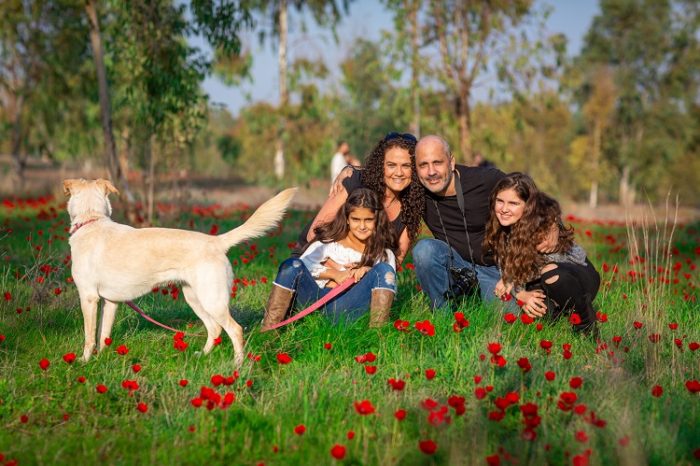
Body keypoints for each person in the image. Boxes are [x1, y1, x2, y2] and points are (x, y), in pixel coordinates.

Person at [262, 188, 397, 328]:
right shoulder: (327, 244)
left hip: (349, 309)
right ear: (347, 219)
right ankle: (269, 330)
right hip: (315, 304)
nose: (362, 226)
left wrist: (368, 271)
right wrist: (335, 274)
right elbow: (303, 267)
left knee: (385, 270)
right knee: (292, 265)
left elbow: (388, 286)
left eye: (368, 220)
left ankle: (377, 336)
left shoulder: (383, 255)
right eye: (356, 219)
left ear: (377, 220)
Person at [484, 173, 600, 333]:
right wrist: (520, 292)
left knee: (550, 274)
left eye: (513, 203)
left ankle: (586, 322)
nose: (504, 209)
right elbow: (508, 268)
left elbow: (543, 266)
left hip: (575, 276)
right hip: (543, 284)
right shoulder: (501, 228)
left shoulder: (541, 229)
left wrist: (513, 285)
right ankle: (560, 314)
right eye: (500, 201)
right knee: (537, 311)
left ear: (528, 206)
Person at [412, 135, 506, 310]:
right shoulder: (416, 192)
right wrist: (348, 173)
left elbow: (529, 196)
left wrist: (553, 226)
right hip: (456, 269)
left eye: (438, 162)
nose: (431, 172)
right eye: (423, 165)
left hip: (494, 270)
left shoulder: (486, 180)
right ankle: (443, 319)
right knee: (424, 251)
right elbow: (379, 180)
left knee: (513, 314)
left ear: (451, 162)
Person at [301, 132, 424, 264]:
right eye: (391, 165)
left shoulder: (413, 202)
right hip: (317, 263)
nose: (399, 173)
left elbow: (397, 258)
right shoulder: (354, 181)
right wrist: (339, 273)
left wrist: (365, 273)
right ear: (380, 165)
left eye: (406, 166)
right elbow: (312, 236)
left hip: (365, 272)